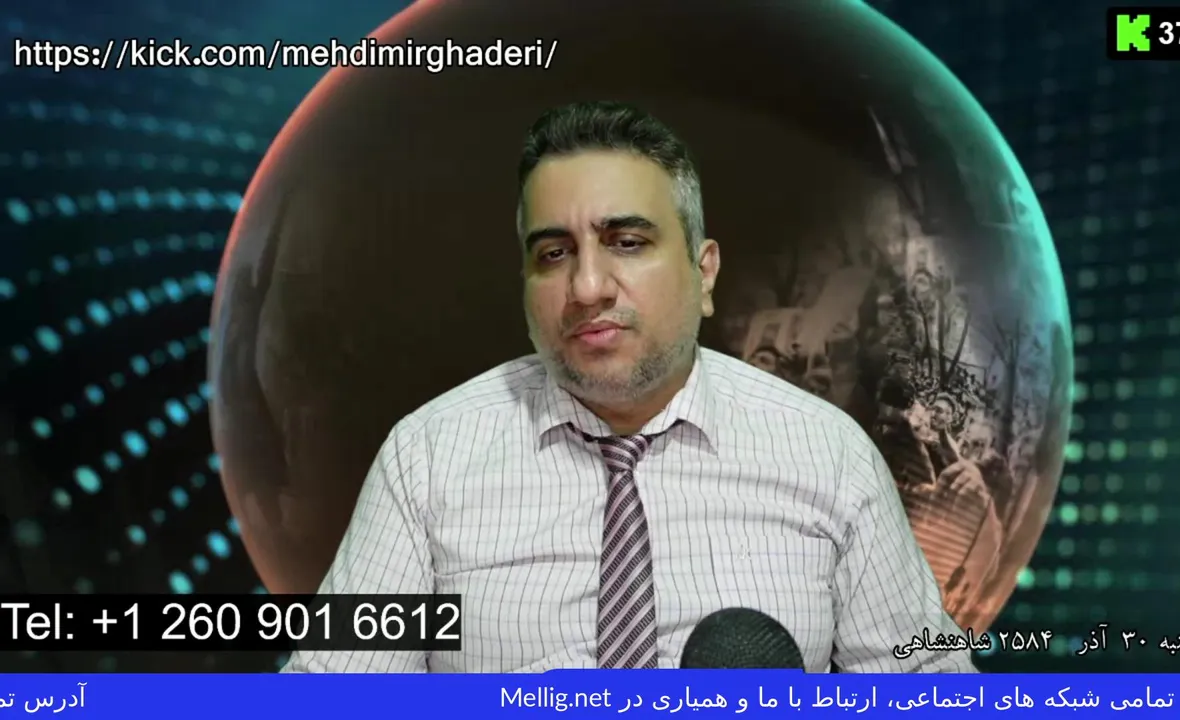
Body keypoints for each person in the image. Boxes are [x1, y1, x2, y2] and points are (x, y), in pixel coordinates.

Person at [283, 101, 975, 674]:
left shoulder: (830, 456)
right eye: (553, 253)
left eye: (627, 243)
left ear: (704, 271)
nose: (587, 286)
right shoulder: (426, 459)